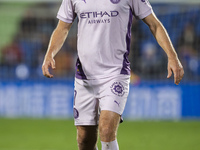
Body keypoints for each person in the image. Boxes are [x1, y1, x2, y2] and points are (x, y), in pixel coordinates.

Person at [42, 0, 184, 149]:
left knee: (107, 129)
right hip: (85, 76)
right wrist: (49, 54)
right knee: (84, 139)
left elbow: (154, 24)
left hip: (115, 72)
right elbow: (63, 28)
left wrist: (172, 56)